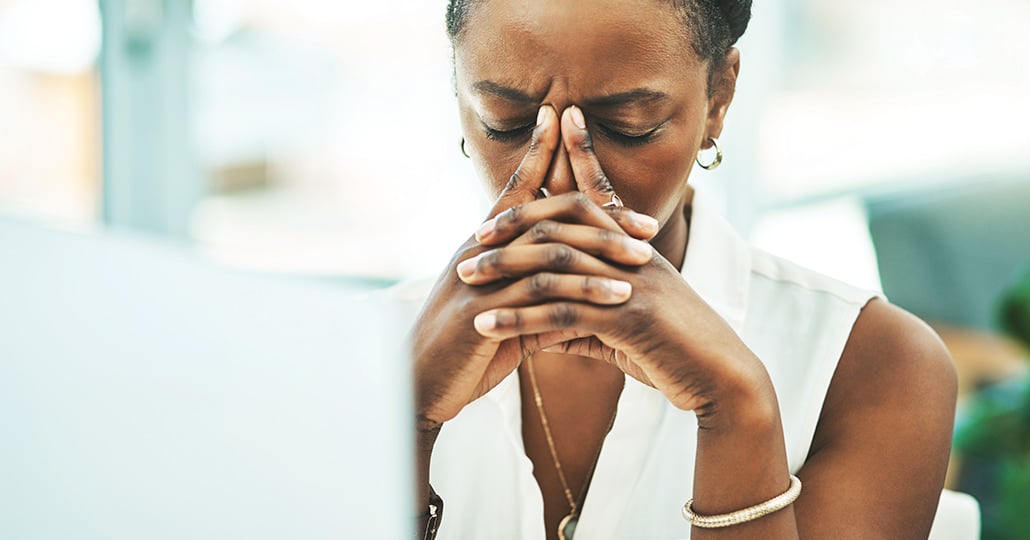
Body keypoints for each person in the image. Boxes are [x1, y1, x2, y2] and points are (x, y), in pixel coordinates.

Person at [411, 0, 958, 538]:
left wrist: (738, 411)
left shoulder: (871, 364)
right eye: (504, 123)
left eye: (628, 125)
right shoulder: (359, 357)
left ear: (718, 97)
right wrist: (400, 426)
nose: (557, 182)